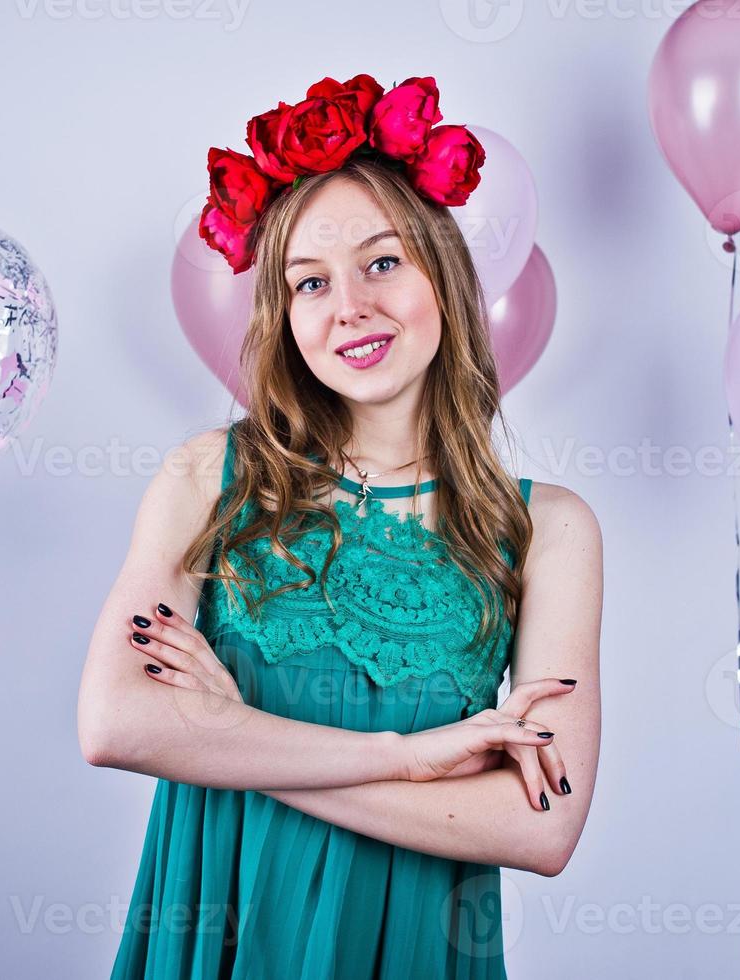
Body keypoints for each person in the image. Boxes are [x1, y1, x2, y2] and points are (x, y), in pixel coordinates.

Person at [77, 73, 603, 979]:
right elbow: (115, 721)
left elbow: (540, 824)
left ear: (442, 272)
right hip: (221, 941)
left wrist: (227, 731)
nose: (348, 304)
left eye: (383, 261)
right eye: (309, 282)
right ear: (285, 318)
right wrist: (409, 760)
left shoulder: (548, 529)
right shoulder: (211, 474)